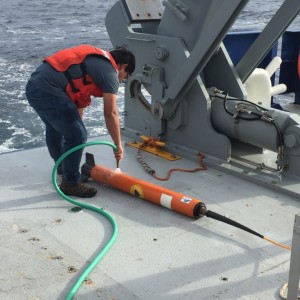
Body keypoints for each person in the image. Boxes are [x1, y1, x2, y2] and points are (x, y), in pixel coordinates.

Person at [25, 44, 135, 198]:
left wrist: (74, 129)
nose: (122, 78)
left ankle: (63, 166)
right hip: (48, 90)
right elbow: (111, 113)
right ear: (123, 66)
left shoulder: (93, 63)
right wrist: (118, 145)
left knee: (57, 129)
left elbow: (77, 101)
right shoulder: (110, 73)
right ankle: (71, 183)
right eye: (126, 75)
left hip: (34, 87)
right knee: (78, 135)